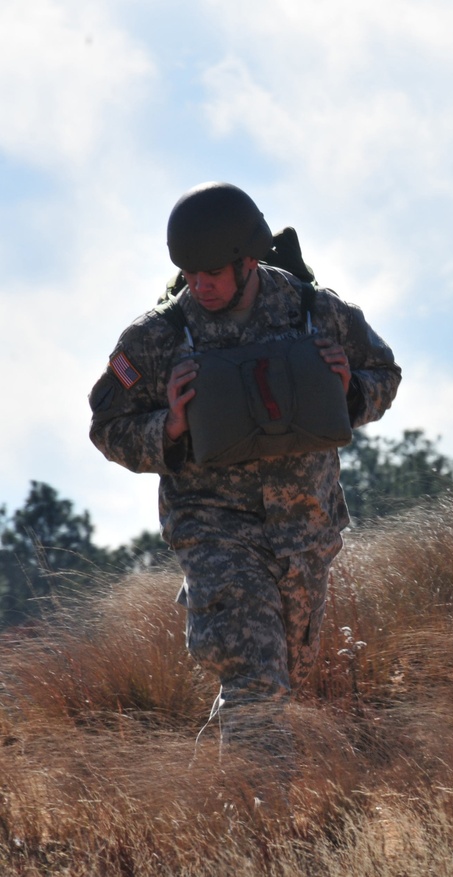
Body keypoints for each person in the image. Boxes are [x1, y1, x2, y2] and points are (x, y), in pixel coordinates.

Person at [89, 182, 401, 786]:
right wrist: (168, 426)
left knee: (278, 680)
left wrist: (350, 391)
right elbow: (107, 425)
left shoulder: (313, 311)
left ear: (248, 261)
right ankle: (263, 829)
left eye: (210, 272)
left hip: (305, 531)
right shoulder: (155, 338)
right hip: (214, 533)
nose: (197, 285)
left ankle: (211, 794)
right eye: (187, 273)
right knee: (256, 676)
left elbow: (382, 370)